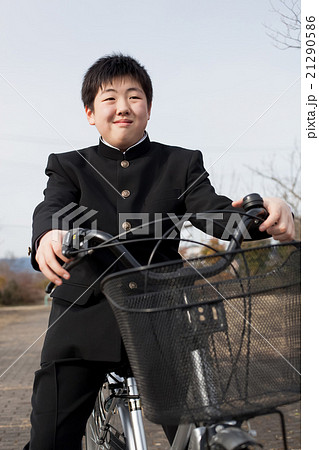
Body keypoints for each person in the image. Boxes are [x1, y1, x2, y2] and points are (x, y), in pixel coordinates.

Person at [24, 54, 295, 449]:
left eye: (134, 97)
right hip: (82, 323)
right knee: (49, 439)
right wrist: (49, 233)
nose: (123, 107)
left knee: (198, 435)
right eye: (109, 98)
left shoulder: (181, 163)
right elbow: (52, 207)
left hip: (162, 321)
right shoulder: (69, 166)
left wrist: (261, 212)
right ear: (90, 113)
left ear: (148, 109)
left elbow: (215, 213)